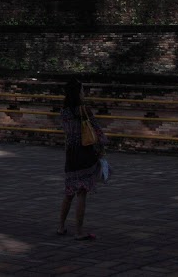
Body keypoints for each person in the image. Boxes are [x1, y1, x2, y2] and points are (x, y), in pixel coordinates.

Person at [56, 78, 106, 240]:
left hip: (70, 154)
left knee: (69, 192)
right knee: (82, 193)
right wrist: (102, 146)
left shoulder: (64, 112)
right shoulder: (84, 110)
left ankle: (61, 226)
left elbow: (67, 135)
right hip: (85, 153)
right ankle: (78, 231)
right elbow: (97, 131)